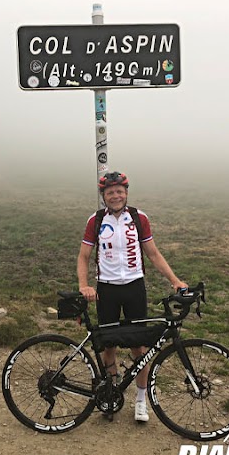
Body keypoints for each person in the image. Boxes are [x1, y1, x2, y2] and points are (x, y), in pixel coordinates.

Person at [76, 171, 185, 424]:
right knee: (109, 346)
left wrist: (175, 280)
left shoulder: (138, 218)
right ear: (103, 196)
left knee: (139, 348)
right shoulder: (96, 220)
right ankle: (110, 394)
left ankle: (140, 400)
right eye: (110, 192)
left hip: (135, 287)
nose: (116, 196)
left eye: (120, 191)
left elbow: (153, 254)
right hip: (107, 289)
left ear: (126, 193)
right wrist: (84, 285)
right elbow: (83, 256)